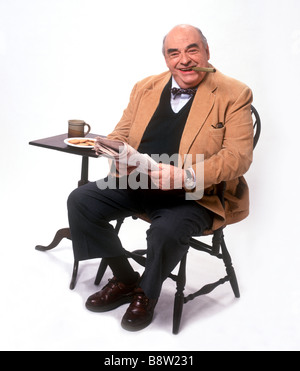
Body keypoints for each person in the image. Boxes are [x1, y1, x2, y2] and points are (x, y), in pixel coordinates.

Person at [67, 24, 253, 332]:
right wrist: (114, 154)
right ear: (166, 58)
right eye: (174, 52)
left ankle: (146, 293)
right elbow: (121, 133)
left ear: (206, 52)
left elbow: (238, 157)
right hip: (139, 182)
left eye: (192, 49)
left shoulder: (234, 93)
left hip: (195, 194)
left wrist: (184, 175)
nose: (184, 60)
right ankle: (125, 278)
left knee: (165, 232)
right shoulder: (145, 86)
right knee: (81, 200)